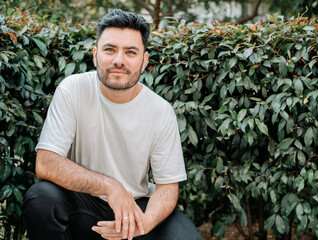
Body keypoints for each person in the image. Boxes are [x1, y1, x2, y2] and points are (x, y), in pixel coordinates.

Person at [22, 9, 202, 240]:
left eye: (130, 52)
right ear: (95, 55)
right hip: (82, 206)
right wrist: (110, 186)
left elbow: (167, 188)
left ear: (144, 60)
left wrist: (144, 224)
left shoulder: (160, 111)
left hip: (136, 209)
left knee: (186, 238)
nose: (119, 60)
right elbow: (46, 163)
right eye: (110, 49)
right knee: (41, 198)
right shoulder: (73, 90)